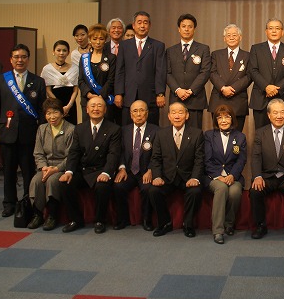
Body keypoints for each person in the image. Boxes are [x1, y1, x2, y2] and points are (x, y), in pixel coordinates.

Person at [0, 44, 46, 218]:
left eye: (23, 57)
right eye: (16, 57)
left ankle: (28, 201)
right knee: (9, 171)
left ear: (28, 59)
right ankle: (9, 203)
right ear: (11, 59)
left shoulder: (38, 81)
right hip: (7, 132)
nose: (20, 60)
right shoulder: (2, 79)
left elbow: (42, 109)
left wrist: (41, 131)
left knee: (29, 171)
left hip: (29, 133)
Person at [58, 96, 122, 234]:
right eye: (92, 106)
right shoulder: (79, 128)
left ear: (105, 110)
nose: (96, 109)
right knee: (65, 183)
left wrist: (106, 173)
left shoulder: (114, 129)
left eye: (99, 106)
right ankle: (75, 220)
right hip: (83, 169)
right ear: (87, 109)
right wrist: (69, 171)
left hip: (102, 169)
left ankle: (100, 220)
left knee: (102, 186)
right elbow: (74, 153)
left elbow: (113, 154)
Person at [249, 99, 284, 240]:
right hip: (267, 176)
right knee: (255, 191)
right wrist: (257, 176)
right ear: (269, 115)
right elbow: (256, 157)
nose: (279, 116)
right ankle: (261, 225)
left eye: (282, 112)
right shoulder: (260, 133)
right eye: (275, 112)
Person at [148, 101, 204, 237]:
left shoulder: (197, 134)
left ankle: (188, 224)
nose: (177, 116)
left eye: (180, 112)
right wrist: (157, 176)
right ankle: (165, 223)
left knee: (195, 191)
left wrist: (195, 178)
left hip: (188, 177)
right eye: (173, 113)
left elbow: (199, 160)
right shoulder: (161, 134)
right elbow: (155, 158)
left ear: (187, 115)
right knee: (154, 191)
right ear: (169, 116)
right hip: (167, 177)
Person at [27, 98, 77, 231]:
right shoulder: (42, 129)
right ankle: (37, 215)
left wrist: (56, 169)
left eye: (55, 112)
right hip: (45, 167)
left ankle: (52, 216)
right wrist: (43, 167)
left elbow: (71, 156)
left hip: (62, 168)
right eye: (48, 113)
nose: (52, 117)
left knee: (52, 181)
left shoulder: (71, 129)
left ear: (62, 113)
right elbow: (38, 153)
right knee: (36, 181)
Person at [203, 104, 247, 244]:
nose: (223, 121)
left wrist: (232, 175)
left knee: (235, 191)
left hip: (233, 176)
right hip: (213, 176)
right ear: (215, 120)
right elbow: (207, 160)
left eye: (227, 117)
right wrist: (218, 176)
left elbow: (241, 160)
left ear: (232, 119)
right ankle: (218, 230)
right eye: (220, 118)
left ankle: (229, 224)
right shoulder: (209, 135)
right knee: (221, 188)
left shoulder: (240, 137)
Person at [114, 11, 166, 126]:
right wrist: (118, 93)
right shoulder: (124, 45)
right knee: (127, 129)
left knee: (151, 129)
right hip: (128, 95)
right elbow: (120, 71)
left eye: (145, 23)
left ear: (150, 25)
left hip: (150, 96)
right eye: (139, 22)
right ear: (133, 25)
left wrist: (160, 93)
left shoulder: (158, 46)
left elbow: (160, 71)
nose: (142, 26)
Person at [112, 99, 158, 231]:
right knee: (118, 186)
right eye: (135, 111)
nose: (138, 114)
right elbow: (119, 152)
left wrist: (151, 170)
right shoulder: (123, 130)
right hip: (128, 171)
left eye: (142, 110)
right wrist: (121, 168)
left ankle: (146, 219)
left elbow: (158, 154)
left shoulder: (156, 130)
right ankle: (123, 219)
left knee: (148, 189)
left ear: (147, 113)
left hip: (146, 171)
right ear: (131, 114)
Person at [248, 18, 284, 130]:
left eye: (277, 28)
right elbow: (253, 70)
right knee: (260, 132)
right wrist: (266, 87)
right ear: (266, 31)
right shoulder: (256, 49)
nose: (274, 31)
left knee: (280, 132)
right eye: (271, 28)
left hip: (282, 96)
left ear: (282, 32)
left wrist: (277, 89)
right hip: (261, 97)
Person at [166, 13, 211, 130]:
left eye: (190, 26)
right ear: (179, 29)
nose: (186, 29)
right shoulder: (170, 51)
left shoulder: (203, 49)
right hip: (176, 98)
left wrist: (191, 91)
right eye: (184, 26)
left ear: (194, 29)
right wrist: (178, 90)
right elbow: (167, 73)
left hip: (195, 99)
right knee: (176, 134)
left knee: (195, 133)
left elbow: (205, 72)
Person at [209, 24, 251, 131]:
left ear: (240, 37)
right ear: (224, 38)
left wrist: (233, 88)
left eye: (234, 35)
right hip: (219, 99)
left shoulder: (247, 56)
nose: (231, 37)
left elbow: (249, 76)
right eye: (228, 35)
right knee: (218, 135)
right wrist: (223, 88)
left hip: (238, 99)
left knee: (236, 136)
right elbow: (212, 73)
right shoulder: (216, 54)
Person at [78, 24, 118, 122]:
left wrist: (101, 96)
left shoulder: (111, 58)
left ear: (105, 40)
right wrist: (89, 94)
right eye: (95, 39)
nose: (98, 42)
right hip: (88, 100)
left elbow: (111, 80)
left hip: (105, 99)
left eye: (101, 39)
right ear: (90, 40)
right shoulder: (84, 58)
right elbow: (81, 80)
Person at [41, 40, 79, 125]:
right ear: (53, 52)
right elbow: (48, 89)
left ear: (68, 53)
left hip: (70, 105)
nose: (61, 53)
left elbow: (75, 90)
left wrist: (69, 106)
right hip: (53, 105)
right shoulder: (47, 69)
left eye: (64, 50)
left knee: (71, 128)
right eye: (58, 50)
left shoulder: (75, 68)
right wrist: (58, 106)